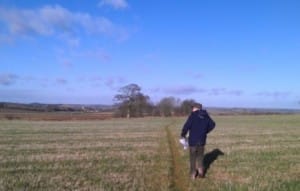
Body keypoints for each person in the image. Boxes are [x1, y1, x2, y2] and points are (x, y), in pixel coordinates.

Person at [180, 102, 215, 179]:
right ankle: (201, 172)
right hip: (202, 140)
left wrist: (183, 134)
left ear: (196, 108)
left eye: (193, 108)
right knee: (200, 157)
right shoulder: (206, 115)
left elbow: (186, 126)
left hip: (193, 140)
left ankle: (193, 174)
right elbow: (213, 125)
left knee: (192, 158)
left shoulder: (192, 116)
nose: (192, 109)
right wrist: (205, 131)